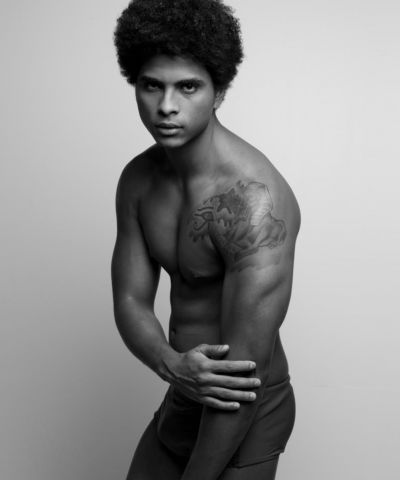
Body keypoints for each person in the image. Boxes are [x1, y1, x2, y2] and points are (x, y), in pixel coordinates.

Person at [112, 1, 300, 478]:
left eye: (188, 87)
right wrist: (171, 365)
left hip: (247, 406)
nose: (166, 106)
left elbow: (243, 374)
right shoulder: (138, 181)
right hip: (186, 389)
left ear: (219, 92)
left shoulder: (254, 199)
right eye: (151, 85)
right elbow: (131, 300)